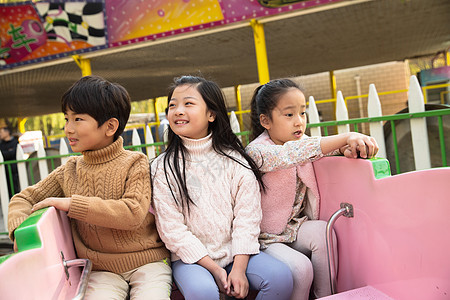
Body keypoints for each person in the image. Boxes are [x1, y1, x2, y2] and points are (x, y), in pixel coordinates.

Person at [8, 75, 172, 300]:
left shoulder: (135, 162)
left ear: (110, 126)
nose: (68, 129)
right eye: (66, 119)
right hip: (100, 269)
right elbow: (23, 198)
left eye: (78, 120)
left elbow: (132, 213)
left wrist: (71, 204)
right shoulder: (69, 170)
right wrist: (19, 230)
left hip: (148, 262)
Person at [151, 75, 293, 300]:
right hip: (192, 260)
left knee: (281, 277)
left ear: (211, 114)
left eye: (188, 103)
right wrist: (215, 269)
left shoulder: (235, 160)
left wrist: (238, 268)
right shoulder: (162, 167)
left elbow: (247, 218)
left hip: (237, 254)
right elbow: (172, 230)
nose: (178, 110)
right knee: (203, 292)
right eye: (172, 105)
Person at [246, 78, 379, 300]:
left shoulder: (301, 142)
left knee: (323, 232)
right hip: (264, 236)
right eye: (289, 115)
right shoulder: (258, 152)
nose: (299, 122)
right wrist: (346, 135)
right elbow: (295, 153)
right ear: (265, 121)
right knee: (301, 268)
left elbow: (322, 151)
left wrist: (349, 149)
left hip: (292, 227)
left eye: (302, 113)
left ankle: (325, 296)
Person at [0, 119, 20, 198]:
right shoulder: (1, 144)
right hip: (4, 172)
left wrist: (7, 153)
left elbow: (13, 153)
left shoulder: (15, 142)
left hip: (14, 171)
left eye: (1, 132)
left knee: (15, 191)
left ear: (7, 131)